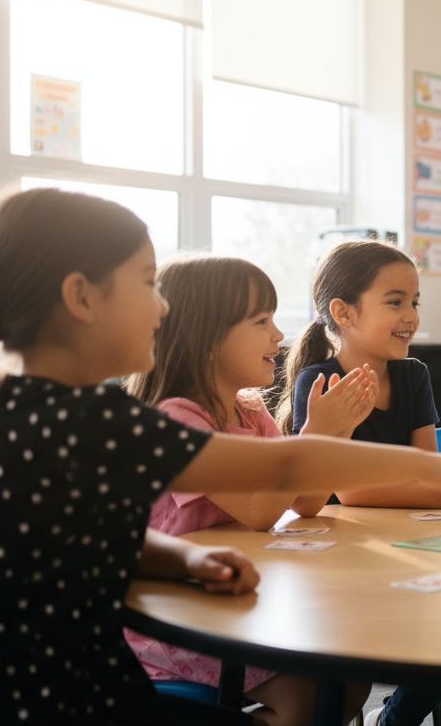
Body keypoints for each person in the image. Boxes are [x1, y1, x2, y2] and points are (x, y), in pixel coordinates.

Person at [0, 189, 441, 724]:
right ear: (81, 297)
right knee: (310, 691)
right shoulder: (88, 419)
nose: (162, 307)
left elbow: (81, 533)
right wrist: (436, 466)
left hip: (60, 685)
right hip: (57, 702)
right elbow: (285, 467)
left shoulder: (41, 413)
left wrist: (183, 560)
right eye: (149, 284)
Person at [123, 255, 376, 725]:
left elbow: (304, 500)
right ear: (207, 339)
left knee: (350, 671)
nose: (278, 335)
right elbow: (261, 511)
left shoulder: (251, 411)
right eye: (262, 321)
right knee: (306, 692)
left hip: (236, 595)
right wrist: (316, 435)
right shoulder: (179, 418)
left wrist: (332, 435)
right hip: (178, 618)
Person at [281, 240, 441, 509]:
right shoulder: (319, 382)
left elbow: (427, 470)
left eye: (414, 303)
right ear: (343, 313)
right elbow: (351, 493)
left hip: (404, 525)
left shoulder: (414, 375)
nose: (412, 317)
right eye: (395, 302)